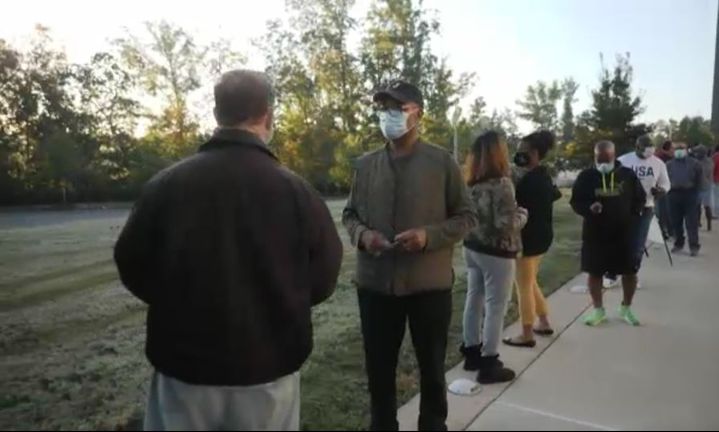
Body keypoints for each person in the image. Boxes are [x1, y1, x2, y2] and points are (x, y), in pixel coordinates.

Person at [114, 70, 343, 431]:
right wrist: (279, 303)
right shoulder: (296, 192)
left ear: (217, 113)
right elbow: (324, 276)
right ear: (267, 114)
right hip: (268, 371)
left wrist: (175, 304)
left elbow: (132, 263)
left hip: (184, 371)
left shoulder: (166, 185)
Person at [342, 80, 477, 431]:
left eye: (397, 108)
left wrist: (428, 236)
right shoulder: (366, 164)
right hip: (375, 285)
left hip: (427, 286)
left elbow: (467, 216)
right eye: (383, 107)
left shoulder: (441, 162)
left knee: (432, 367)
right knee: (379, 369)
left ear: (417, 113)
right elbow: (350, 214)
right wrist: (364, 236)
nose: (389, 115)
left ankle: (433, 425)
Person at [460, 130, 528, 384]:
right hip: (497, 252)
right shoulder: (502, 184)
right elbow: (506, 224)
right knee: (496, 305)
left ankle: (471, 352)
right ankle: (490, 362)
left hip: (471, 247)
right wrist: (523, 215)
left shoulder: (470, 183)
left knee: (473, 298)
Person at [571, 141, 646, 327]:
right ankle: (598, 310)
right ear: (594, 157)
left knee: (630, 272)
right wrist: (588, 208)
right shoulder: (586, 176)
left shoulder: (627, 175)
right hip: (595, 233)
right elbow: (575, 201)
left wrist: (632, 215)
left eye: (607, 158)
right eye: (599, 159)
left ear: (614, 156)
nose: (603, 162)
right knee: (594, 272)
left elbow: (640, 198)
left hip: (623, 233)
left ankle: (626, 307)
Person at [502, 130, 560, 348]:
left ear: (535, 153)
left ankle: (527, 333)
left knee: (523, 286)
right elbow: (555, 194)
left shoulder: (529, 182)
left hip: (529, 238)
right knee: (530, 281)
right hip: (543, 237)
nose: (519, 155)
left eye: (522, 152)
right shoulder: (543, 176)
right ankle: (543, 321)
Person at [616, 135, 671, 286]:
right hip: (624, 207)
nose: (648, 156)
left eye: (651, 152)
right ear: (637, 148)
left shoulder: (658, 163)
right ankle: (613, 272)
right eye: (645, 152)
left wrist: (661, 190)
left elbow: (666, 184)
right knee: (620, 241)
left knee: (638, 245)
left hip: (646, 207)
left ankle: (631, 274)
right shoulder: (623, 161)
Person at [667, 142, 704, 256]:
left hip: (690, 194)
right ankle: (678, 243)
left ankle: (694, 246)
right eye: (676, 149)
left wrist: (698, 195)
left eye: (681, 148)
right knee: (675, 222)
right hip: (673, 194)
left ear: (686, 150)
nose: (679, 151)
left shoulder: (695, 164)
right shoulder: (668, 164)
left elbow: (700, 180)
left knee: (691, 222)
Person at [654, 140, 675, 239]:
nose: (674, 151)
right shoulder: (660, 159)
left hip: (666, 187)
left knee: (665, 211)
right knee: (663, 211)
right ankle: (664, 232)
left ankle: (667, 231)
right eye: (672, 148)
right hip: (661, 188)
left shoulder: (668, 158)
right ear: (667, 149)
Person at [692, 145, 715, 231]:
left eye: (697, 152)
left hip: (704, 187)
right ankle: (698, 222)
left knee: (705, 206)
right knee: (698, 206)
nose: (695, 154)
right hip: (703, 186)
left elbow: (702, 173)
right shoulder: (709, 161)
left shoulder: (705, 162)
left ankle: (708, 224)